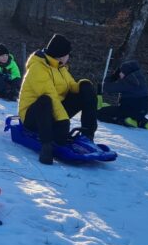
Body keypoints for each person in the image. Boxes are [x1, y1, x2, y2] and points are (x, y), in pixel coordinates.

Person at [17, 34, 98, 165]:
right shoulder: (38, 67)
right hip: (33, 116)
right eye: (68, 54)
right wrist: (63, 122)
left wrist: (83, 86)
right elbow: (50, 96)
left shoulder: (59, 67)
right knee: (45, 100)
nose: (68, 57)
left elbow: (71, 85)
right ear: (61, 55)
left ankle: (88, 134)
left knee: (86, 89)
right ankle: (46, 145)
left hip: (53, 113)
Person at [97, 60, 148, 129]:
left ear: (126, 72)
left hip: (128, 110)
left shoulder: (129, 81)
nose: (119, 74)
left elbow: (107, 88)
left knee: (99, 113)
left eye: (121, 72)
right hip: (142, 111)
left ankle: (123, 120)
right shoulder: (140, 78)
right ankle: (145, 123)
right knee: (136, 116)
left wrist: (113, 77)